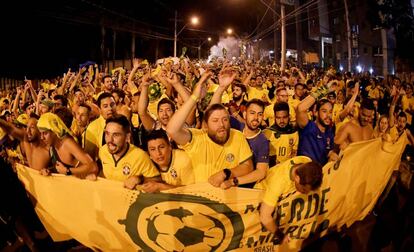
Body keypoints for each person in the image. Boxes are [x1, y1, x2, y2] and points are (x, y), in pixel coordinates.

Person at [166, 71, 253, 186]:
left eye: (225, 119)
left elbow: (248, 167)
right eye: (215, 121)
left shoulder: (237, 136)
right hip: (200, 200)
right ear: (206, 126)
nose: (221, 124)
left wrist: (226, 173)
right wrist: (194, 97)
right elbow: (172, 130)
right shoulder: (196, 139)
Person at [256, 156, 323, 242]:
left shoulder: (306, 161)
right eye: (304, 190)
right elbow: (264, 216)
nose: (306, 193)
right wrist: (281, 236)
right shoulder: (278, 183)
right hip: (261, 197)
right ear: (297, 178)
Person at [99, 115, 160, 189]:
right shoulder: (103, 150)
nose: (110, 140)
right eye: (107, 134)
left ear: (127, 137)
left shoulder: (140, 156)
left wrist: (140, 179)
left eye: (116, 135)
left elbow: (158, 180)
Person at [224, 99, 270, 188]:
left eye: (260, 114)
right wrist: (221, 89)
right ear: (245, 114)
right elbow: (215, 111)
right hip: (221, 176)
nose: (256, 118)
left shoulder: (263, 142)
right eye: (252, 113)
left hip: (242, 187)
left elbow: (261, 172)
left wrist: (233, 182)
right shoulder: (236, 126)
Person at [37, 112, 98, 178]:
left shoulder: (67, 143)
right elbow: (60, 169)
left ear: (54, 131)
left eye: (45, 133)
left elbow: (93, 167)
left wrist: (68, 171)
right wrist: (48, 170)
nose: (42, 137)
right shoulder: (52, 146)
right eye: (41, 134)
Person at [296, 82, 335, 165]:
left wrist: (332, 155)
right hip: (304, 173)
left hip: (320, 174)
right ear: (315, 112)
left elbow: (329, 152)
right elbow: (300, 108)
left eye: (330, 112)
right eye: (324, 111)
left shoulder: (329, 133)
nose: (328, 115)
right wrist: (324, 89)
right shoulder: (308, 127)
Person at [263, 102, 299, 167]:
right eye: (278, 118)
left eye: (284, 117)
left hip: (287, 169)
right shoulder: (267, 133)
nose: (282, 121)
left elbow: (294, 153)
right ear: (274, 117)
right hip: (272, 170)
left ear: (289, 116)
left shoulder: (294, 132)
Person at [84, 92, 117, 160]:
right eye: (105, 106)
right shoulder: (93, 127)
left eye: (112, 104)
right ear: (99, 109)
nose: (110, 108)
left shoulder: (123, 122)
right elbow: (89, 156)